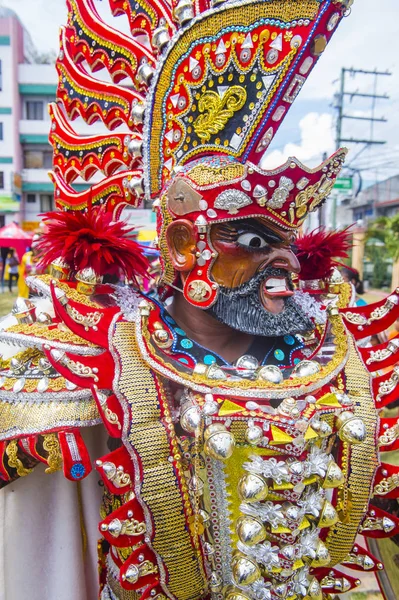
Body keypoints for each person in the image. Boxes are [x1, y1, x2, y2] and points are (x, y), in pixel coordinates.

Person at [0, 1, 398, 600]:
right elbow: (48, 555)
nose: (284, 261)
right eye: (254, 241)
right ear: (185, 247)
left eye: (286, 242)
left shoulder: (341, 354)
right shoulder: (107, 360)